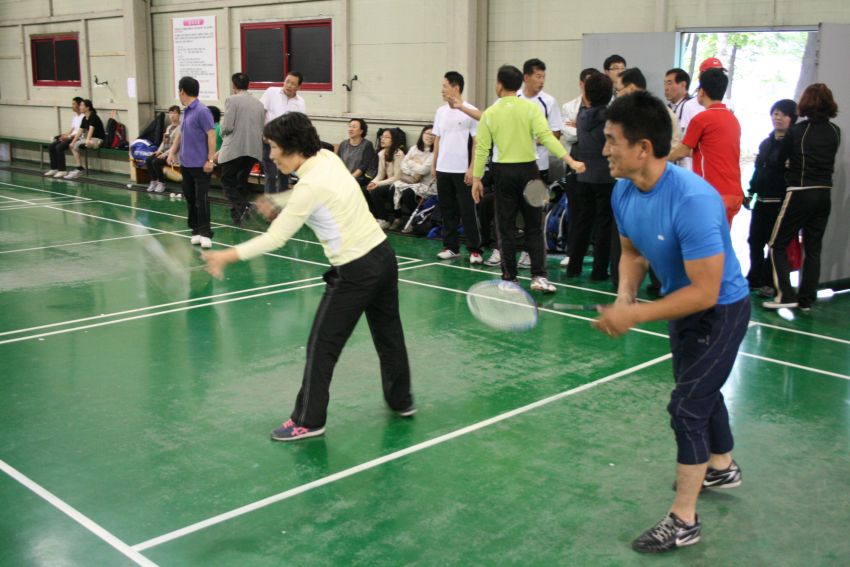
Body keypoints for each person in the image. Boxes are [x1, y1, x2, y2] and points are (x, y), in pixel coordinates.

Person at [594, 90, 750, 553]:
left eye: (612, 140)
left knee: (687, 406)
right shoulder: (624, 190)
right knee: (699, 390)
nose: (604, 150)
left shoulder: (694, 200)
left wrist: (636, 314)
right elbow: (632, 253)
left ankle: (684, 520)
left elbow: (705, 291)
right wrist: (625, 295)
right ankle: (721, 467)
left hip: (720, 310)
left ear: (643, 148)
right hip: (679, 305)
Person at [201, 112, 415, 441]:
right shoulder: (327, 158)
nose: (271, 155)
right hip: (384, 256)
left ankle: (308, 420)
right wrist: (278, 200)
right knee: (389, 334)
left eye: (274, 147)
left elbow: (276, 238)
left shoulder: (308, 187)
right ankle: (402, 400)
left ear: (292, 147)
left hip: (355, 270)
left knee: (321, 345)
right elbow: (314, 194)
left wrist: (225, 256)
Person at [471, 65, 585, 292]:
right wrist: (571, 161)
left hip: (503, 175)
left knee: (506, 227)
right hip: (532, 173)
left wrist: (476, 179)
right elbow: (548, 137)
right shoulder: (531, 108)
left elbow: (482, 149)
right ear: (519, 84)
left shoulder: (490, 113)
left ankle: (509, 278)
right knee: (535, 225)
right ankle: (539, 277)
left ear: (499, 84)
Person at [765, 84, 842, 311]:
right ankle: (806, 298)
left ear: (805, 103)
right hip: (824, 193)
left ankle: (785, 295)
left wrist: (789, 164)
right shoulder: (835, 131)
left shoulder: (797, 131)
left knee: (776, 243)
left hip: (800, 191)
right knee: (813, 247)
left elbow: (779, 160)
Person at [668, 68, 743, 225]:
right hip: (734, 194)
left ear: (701, 91)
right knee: (722, 238)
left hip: (713, 194)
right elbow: (710, 151)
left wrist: (658, 160)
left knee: (702, 239)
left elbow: (682, 151)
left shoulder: (701, 119)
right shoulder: (733, 119)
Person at [565, 72, 616, 281]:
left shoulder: (582, 116)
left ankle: (573, 266)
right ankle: (599, 270)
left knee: (582, 222)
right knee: (604, 224)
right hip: (605, 176)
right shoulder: (610, 117)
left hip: (583, 175)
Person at [745, 99, 798, 296]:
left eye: (783, 114)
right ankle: (754, 278)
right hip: (761, 201)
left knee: (774, 245)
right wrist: (750, 192)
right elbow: (758, 171)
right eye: (775, 113)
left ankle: (769, 281)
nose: (778, 118)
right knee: (754, 241)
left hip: (779, 203)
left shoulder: (793, 146)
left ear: (792, 118)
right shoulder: (766, 143)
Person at [515, 58, 563, 269]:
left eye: (544, 77)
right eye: (538, 76)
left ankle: (530, 253)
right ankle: (503, 251)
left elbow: (556, 133)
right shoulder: (513, 98)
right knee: (510, 211)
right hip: (512, 165)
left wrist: (532, 140)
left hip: (538, 167)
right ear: (526, 77)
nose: (541, 81)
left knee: (534, 213)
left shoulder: (548, 102)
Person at [433, 71, 484, 264]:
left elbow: (477, 142)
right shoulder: (440, 112)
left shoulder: (470, 111)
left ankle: (475, 250)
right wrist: (434, 164)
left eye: (445, 86)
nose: (442, 90)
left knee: (467, 210)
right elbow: (437, 139)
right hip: (443, 169)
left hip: (463, 170)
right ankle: (450, 247)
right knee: (447, 210)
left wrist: (472, 168)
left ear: (456, 87)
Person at [167, 76, 216, 249]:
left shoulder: (202, 111)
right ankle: (195, 230)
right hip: (186, 164)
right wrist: (172, 151)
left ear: (182, 91)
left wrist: (210, 160)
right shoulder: (186, 111)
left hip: (201, 165)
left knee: (201, 200)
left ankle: (206, 233)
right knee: (190, 198)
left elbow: (211, 135)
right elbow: (181, 133)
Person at [216, 72, 265, 225]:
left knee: (227, 181)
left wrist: (221, 133)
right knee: (240, 181)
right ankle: (238, 216)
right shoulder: (259, 104)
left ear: (234, 85)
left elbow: (227, 126)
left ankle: (244, 206)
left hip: (235, 149)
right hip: (253, 149)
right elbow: (261, 127)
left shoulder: (232, 100)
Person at [260, 71, 306, 193]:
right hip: (269, 142)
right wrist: (262, 133)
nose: (289, 85)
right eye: (287, 81)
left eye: (293, 83)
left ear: (299, 87)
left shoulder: (300, 102)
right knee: (270, 176)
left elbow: (299, 125)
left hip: (286, 145)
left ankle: (282, 203)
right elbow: (260, 113)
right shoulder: (271, 92)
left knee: (284, 176)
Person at [392, 125, 436, 231]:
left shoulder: (435, 152)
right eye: (427, 133)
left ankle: (415, 220)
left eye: (433, 135)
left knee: (408, 193)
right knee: (393, 188)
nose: (430, 137)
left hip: (428, 185)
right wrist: (415, 166)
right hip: (412, 180)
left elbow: (423, 170)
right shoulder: (414, 148)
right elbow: (403, 165)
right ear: (422, 134)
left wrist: (411, 162)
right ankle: (397, 219)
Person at [663, 68, 703, 169]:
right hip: (671, 164)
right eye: (665, 84)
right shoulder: (666, 109)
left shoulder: (693, 107)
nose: (666, 88)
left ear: (683, 85)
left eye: (669, 83)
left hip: (688, 164)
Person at [366, 128, 405, 229]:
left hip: (399, 184)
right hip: (388, 182)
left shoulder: (399, 154)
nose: (383, 139)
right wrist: (372, 182)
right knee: (367, 189)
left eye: (387, 137)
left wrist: (377, 184)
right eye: (382, 137)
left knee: (376, 191)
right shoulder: (382, 153)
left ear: (393, 140)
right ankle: (376, 217)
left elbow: (397, 177)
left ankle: (385, 219)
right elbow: (380, 174)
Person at [65, 99, 105, 180]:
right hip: (89, 138)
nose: (80, 107)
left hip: (98, 139)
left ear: (87, 108)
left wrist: (87, 140)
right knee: (73, 146)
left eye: (82, 105)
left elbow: (91, 130)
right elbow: (80, 131)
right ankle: (79, 168)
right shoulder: (84, 118)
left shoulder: (93, 116)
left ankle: (91, 144)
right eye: (80, 105)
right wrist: (72, 142)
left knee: (88, 143)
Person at [44, 96, 84, 178]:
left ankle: (62, 170)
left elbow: (80, 132)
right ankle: (54, 168)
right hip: (71, 136)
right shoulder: (75, 117)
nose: (72, 106)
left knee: (59, 147)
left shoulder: (83, 117)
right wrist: (63, 136)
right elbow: (71, 130)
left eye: (74, 104)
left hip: (78, 138)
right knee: (51, 146)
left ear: (79, 105)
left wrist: (68, 137)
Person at [146, 105, 181, 193]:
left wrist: (166, 153)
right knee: (149, 159)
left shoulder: (180, 128)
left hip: (174, 155)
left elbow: (177, 145)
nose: (172, 115)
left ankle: (162, 182)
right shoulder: (169, 127)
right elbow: (164, 142)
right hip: (165, 153)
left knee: (156, 162)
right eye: (170, 113)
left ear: (179, 115)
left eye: (175, 113)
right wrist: (158, 151)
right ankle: (154, 181)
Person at [336, 118, 376, 188]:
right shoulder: (343, 144)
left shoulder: (367, 145)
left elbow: (364, 166)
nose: (350, 129)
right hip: (343, 177)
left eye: (354, 127)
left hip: (359, 179)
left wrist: (350, 178)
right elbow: (337, 162)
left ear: (361, 131)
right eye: (350, 126)